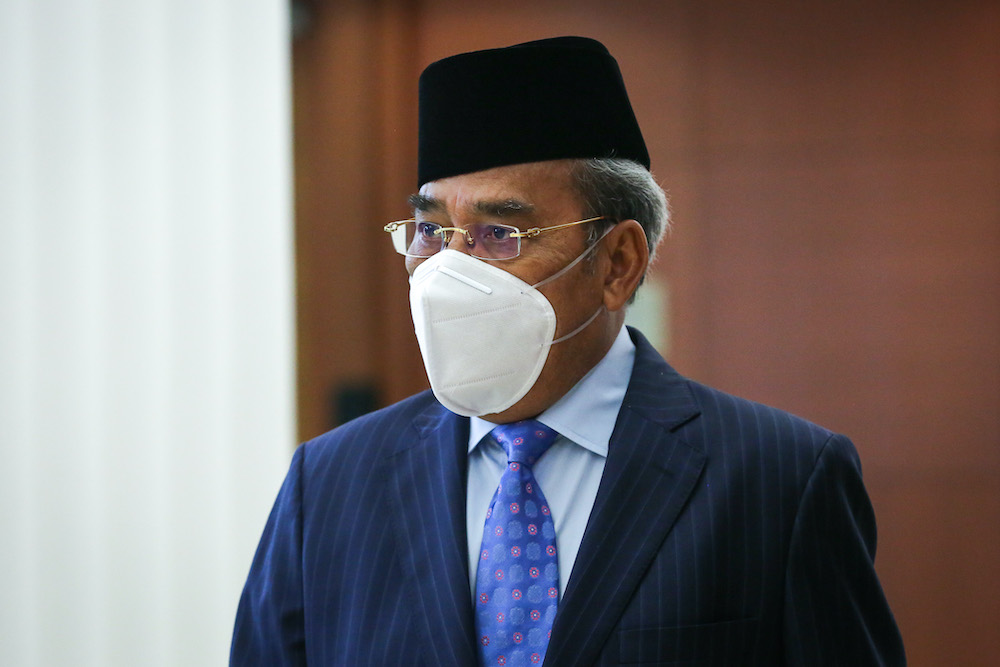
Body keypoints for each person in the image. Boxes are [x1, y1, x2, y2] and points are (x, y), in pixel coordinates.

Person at [231, 36, 905, 666]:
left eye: (499, 233)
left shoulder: (778, 479)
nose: (449, 271)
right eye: (432, 231)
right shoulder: (329, 483)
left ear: (617, 262)